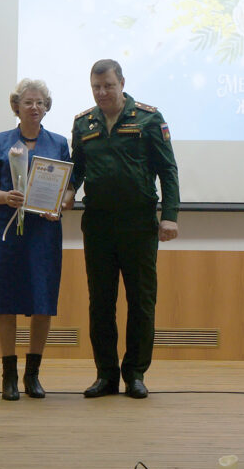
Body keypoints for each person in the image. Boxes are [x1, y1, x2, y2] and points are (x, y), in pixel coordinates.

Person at [65, 59, 179, 399]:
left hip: (139, 223)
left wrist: (169, 215)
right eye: (96, 87)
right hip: (98, 224)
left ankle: (135, 374)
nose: (102, 93)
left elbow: (167, 170)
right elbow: (78, 168)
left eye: (108, 86)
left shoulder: (148, 118)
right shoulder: (83, 123)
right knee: (100, 302)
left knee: (141, 301)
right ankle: (105, 375)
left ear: (122, 83)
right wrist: (69, 189)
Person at [0, 78, 71, 400]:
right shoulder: (0, 141)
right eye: (28, 102)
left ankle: (33, 375)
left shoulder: (58, 143)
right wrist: (5, 198)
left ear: (47, 108)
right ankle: (8, 376)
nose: (35, 108)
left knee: (42, 301)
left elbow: (67, 191)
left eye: (40, 103)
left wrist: (60, 206)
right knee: (6, 301)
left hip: (43, 232)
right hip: (6, 230)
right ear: (16, 106)